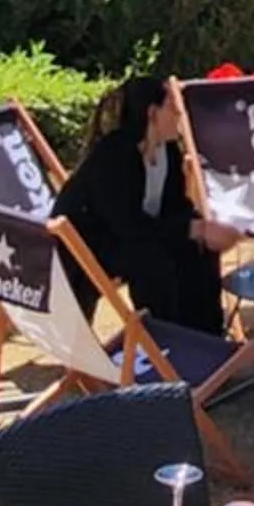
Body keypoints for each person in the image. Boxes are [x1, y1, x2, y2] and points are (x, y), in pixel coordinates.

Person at [51, 75, 234, 333]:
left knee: (199, 248)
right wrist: (189, 229)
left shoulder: (167, 151)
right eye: (173, 107)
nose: (180, 115)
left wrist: (201, 229)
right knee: (153, 261)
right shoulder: (114, 156)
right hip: (88, 244)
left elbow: (176, 206)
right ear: (152, 113)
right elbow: (126, 225)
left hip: (131, 235)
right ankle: (165, 344)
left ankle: (206, 337)